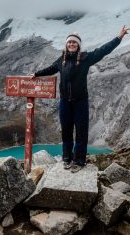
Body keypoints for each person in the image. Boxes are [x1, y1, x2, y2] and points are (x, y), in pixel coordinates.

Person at [29, 26, 130, 173]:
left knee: (81, 132)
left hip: (80, 101)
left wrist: (119, 37)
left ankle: (79, 161)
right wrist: (36, 74)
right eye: (69, 42)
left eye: (74, 43)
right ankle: (67, 158)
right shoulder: (61, 60)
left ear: (78, 45)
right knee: (66, 131)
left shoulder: (85, 58)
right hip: (65, 102)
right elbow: (51, 69)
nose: (71, 45)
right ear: (66, 44)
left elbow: (103, 50)